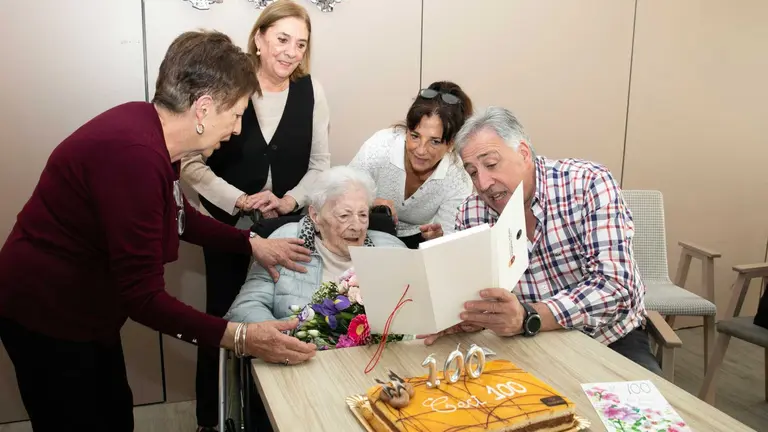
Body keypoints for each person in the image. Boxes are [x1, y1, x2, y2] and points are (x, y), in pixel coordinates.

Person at [0, 31, 317, 432]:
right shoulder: (134, 157)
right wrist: (240, 337)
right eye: (235, 114)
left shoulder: (151, 133)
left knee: (114, 412)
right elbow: (143, 298)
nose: (237, 129)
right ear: (203, 108)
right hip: (48, 312)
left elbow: (176, 215)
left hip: (89, 308)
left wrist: (250, 242)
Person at [419, 106, 662, 375]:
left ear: (523, 153)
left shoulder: (587, 184)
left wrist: (528, 316)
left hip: (609, 339)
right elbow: (485, 297)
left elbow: (615, 287)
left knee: (643, 415)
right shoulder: (472, 212)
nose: (484, 183)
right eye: (473, 172)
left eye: (490, 164)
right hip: (526, 344)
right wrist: (467, 316)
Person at [178, 2, 330, 430]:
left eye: (300, 44)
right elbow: (191, 163)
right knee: (221, 322)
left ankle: (275, 417)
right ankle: (211, 418)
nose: (291, 52)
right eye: (282, 40)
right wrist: (241, 200)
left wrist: (290, 201)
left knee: (280, 318)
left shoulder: (312, 90)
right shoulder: (230, 83)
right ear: (259, 38)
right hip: (227, 226)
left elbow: (320, 164)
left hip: (285, 228)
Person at [224, 166, 405, 431]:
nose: (356, 225)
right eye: (344, 215)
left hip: (375, 371)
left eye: (363, 214)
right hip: (300, 368)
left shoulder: (390, 250)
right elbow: (243, 308)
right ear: (316, 216)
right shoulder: (284, 244)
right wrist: (283, 340)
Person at [349, 81, 474, 249]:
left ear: (451, 144)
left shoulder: (458, 177)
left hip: (420, 241)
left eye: (435, 142)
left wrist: (439, 237)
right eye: (415, 136)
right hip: (366, 229)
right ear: (407, 129)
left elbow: (449, 243)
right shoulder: (380, 147)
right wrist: (369, 202)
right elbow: (339, 195)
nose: (421, 150)